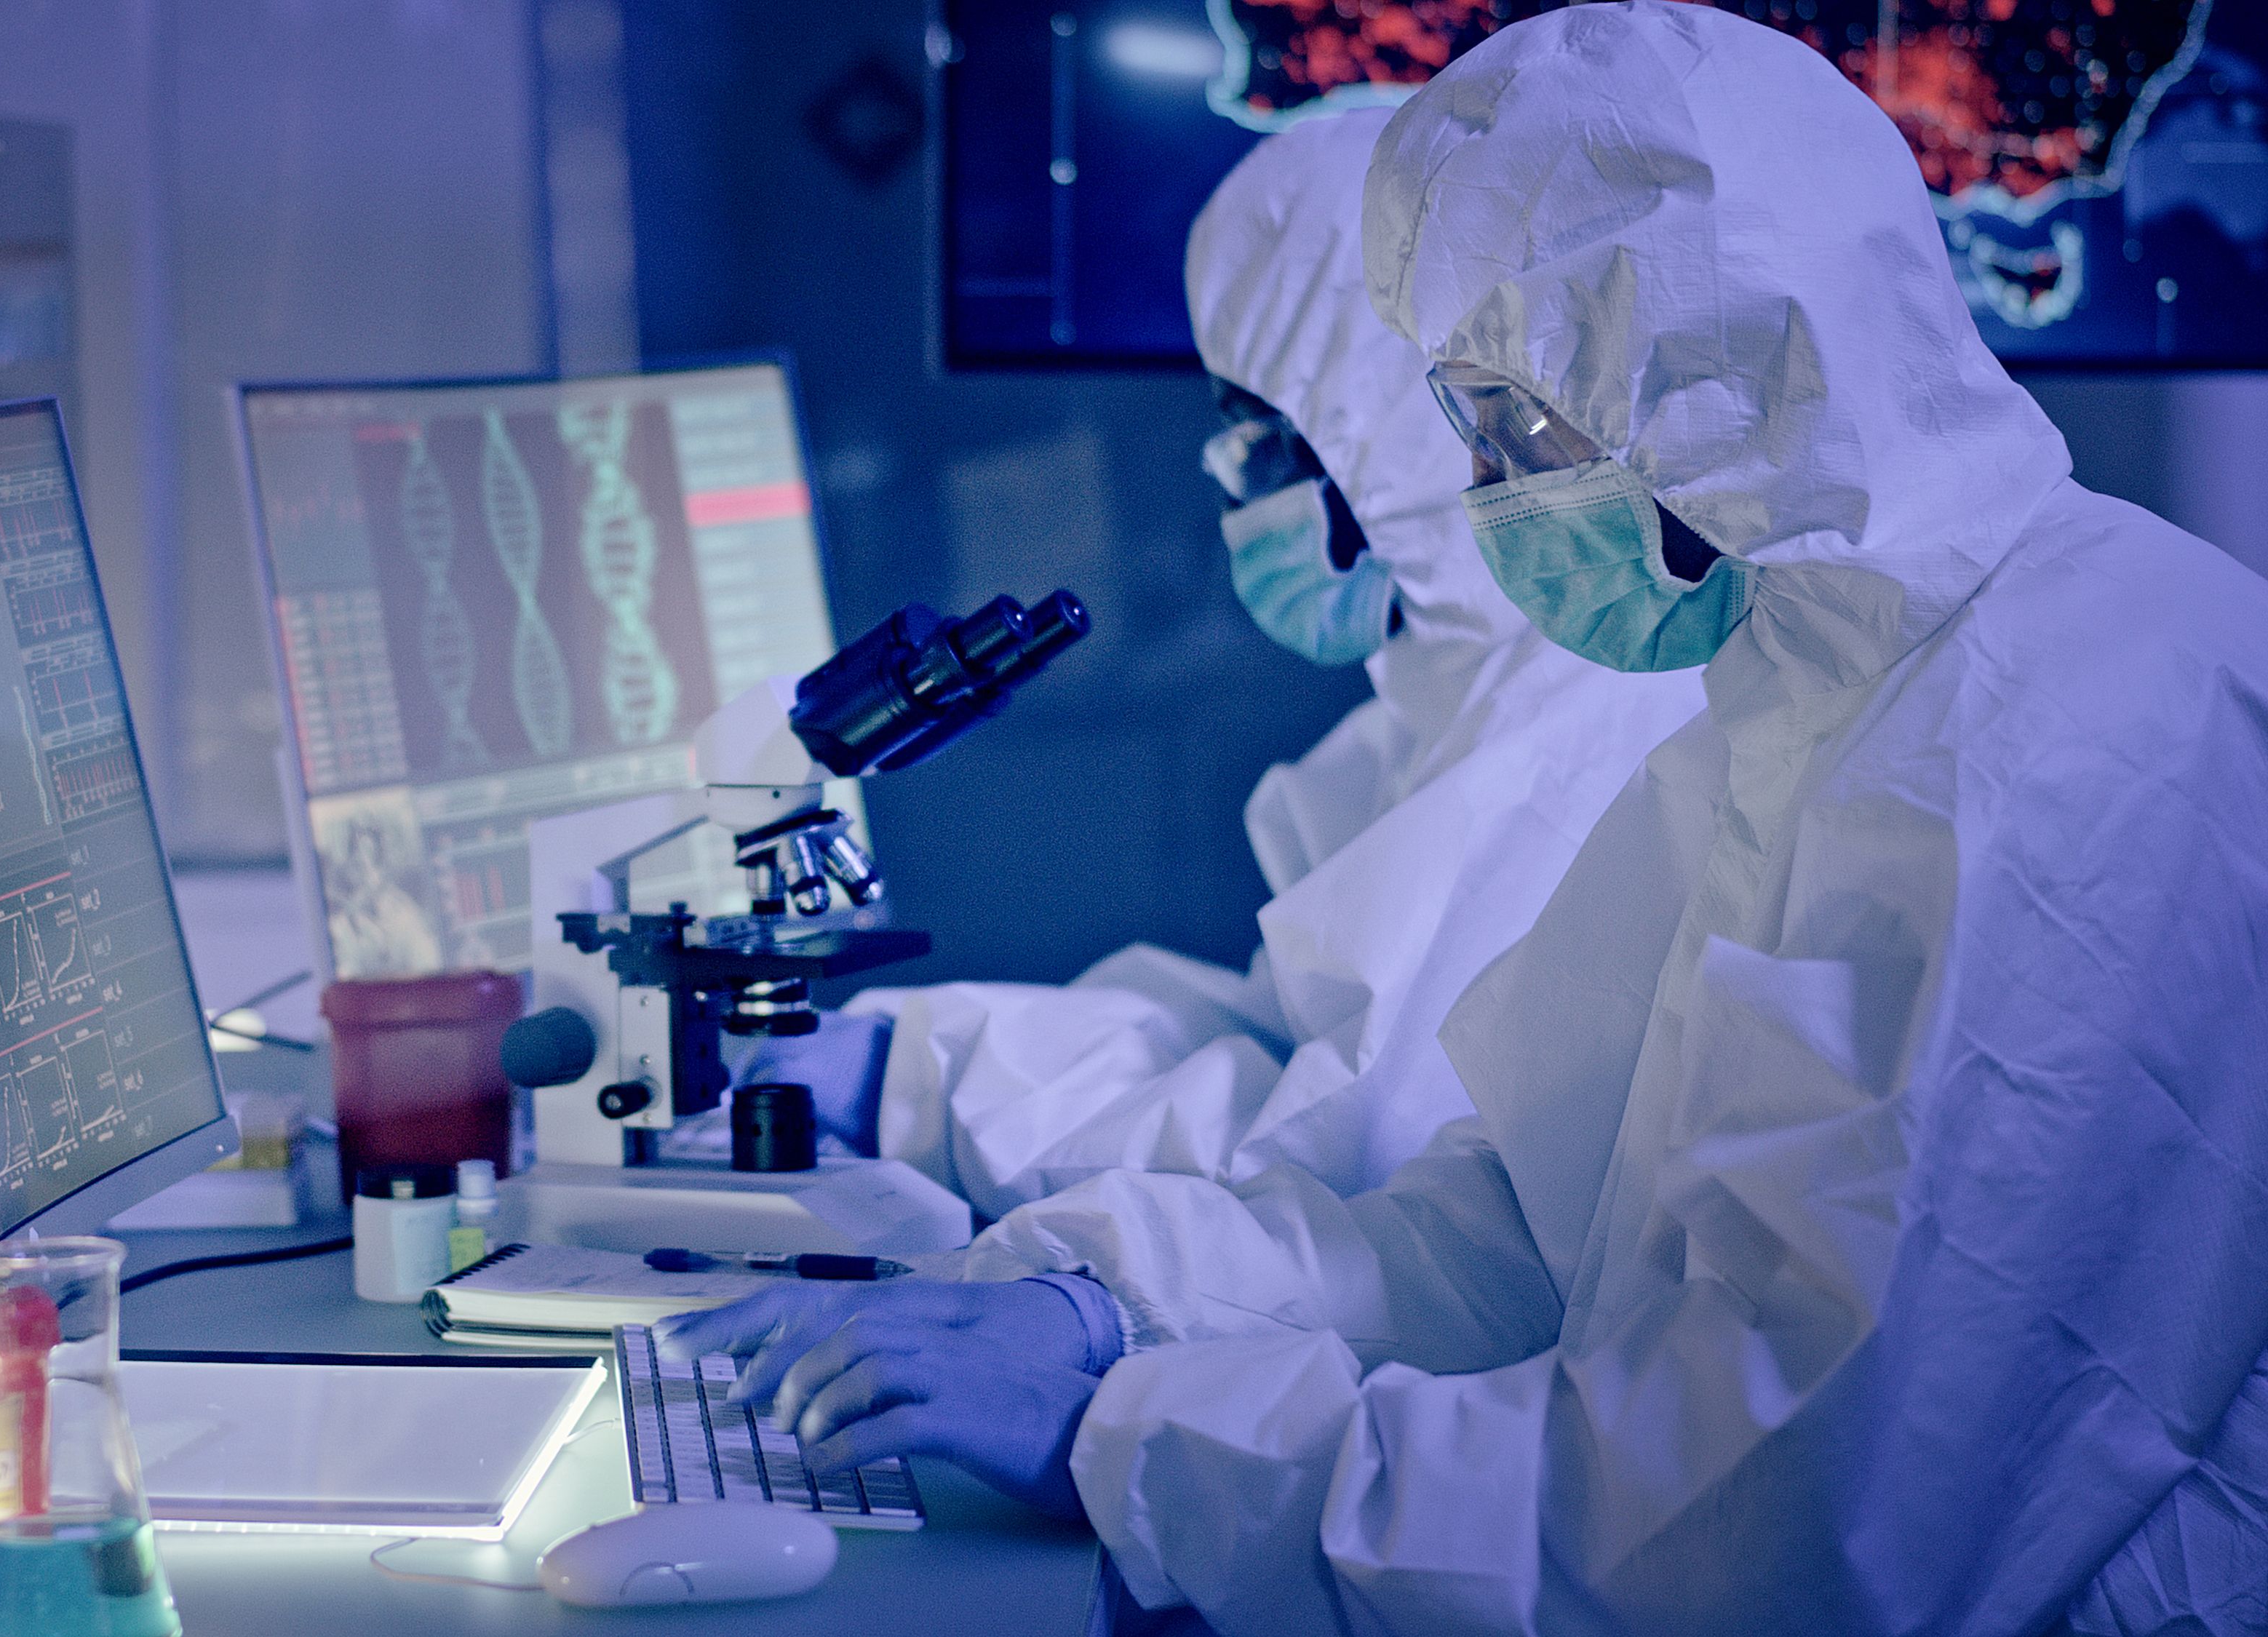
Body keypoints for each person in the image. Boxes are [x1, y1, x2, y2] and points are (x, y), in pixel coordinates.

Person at [663, 5, 2268, 1632]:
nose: (1488, 495)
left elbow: (1767, 1536)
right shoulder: (1799, 702)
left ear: (1716, 380)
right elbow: (1517, 1220)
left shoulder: (2063, 730)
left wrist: (1122, 1431)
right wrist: (1100, 1315)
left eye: (1513, 428)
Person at [765, 104, 1701, 1221]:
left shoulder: (1570, 728)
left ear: (1381, 425)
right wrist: (910, 1062)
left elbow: (1330, 1166)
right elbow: (1267, 1032)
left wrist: (940, 1122)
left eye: (1259, 438)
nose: (1236, 489)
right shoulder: (1443, 696)